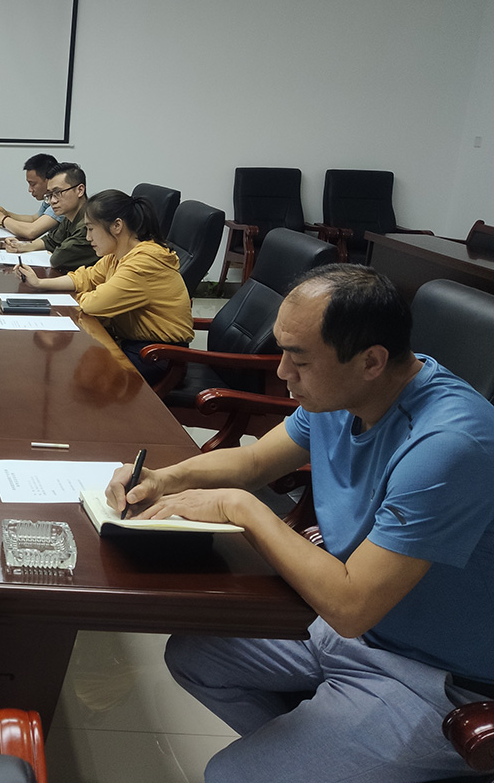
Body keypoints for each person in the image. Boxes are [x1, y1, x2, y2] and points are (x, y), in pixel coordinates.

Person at [103, 263, 494, 783]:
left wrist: (243, 509)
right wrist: (164, 477)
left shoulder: (448, 444)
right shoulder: (345, 393)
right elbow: (253, 462)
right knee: (197, 656)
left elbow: (351, 606)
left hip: (436, 675)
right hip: (362, 633)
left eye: (299, 359)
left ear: (372, 361)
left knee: (232, 776)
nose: (283, 371)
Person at [15, 189, 192, 382]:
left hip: (158, 356)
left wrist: (82, 296)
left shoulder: (144, 262)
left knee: (81, 377)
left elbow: (94, 304)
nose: (88, 237)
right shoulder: (118, 254)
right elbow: (87, 277)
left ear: (117, 226)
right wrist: (40, 283)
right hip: (134, 344)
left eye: (91, 229)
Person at [3, 162, 98, 272]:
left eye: (58, 193)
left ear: (80, 190)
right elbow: (51, 241)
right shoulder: (70, 216)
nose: (53, 201)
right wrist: (22, 246)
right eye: (50, 195)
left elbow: (57, 259)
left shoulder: (89, 224)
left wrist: (53, 252)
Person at [0, 153, 59, 239]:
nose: (30, 190)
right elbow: (34, 219)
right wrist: (6, 213)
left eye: (33, 184)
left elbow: (31, 231)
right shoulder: (49, 197)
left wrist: (2, 219)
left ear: (49, 180)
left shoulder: (61, 201)